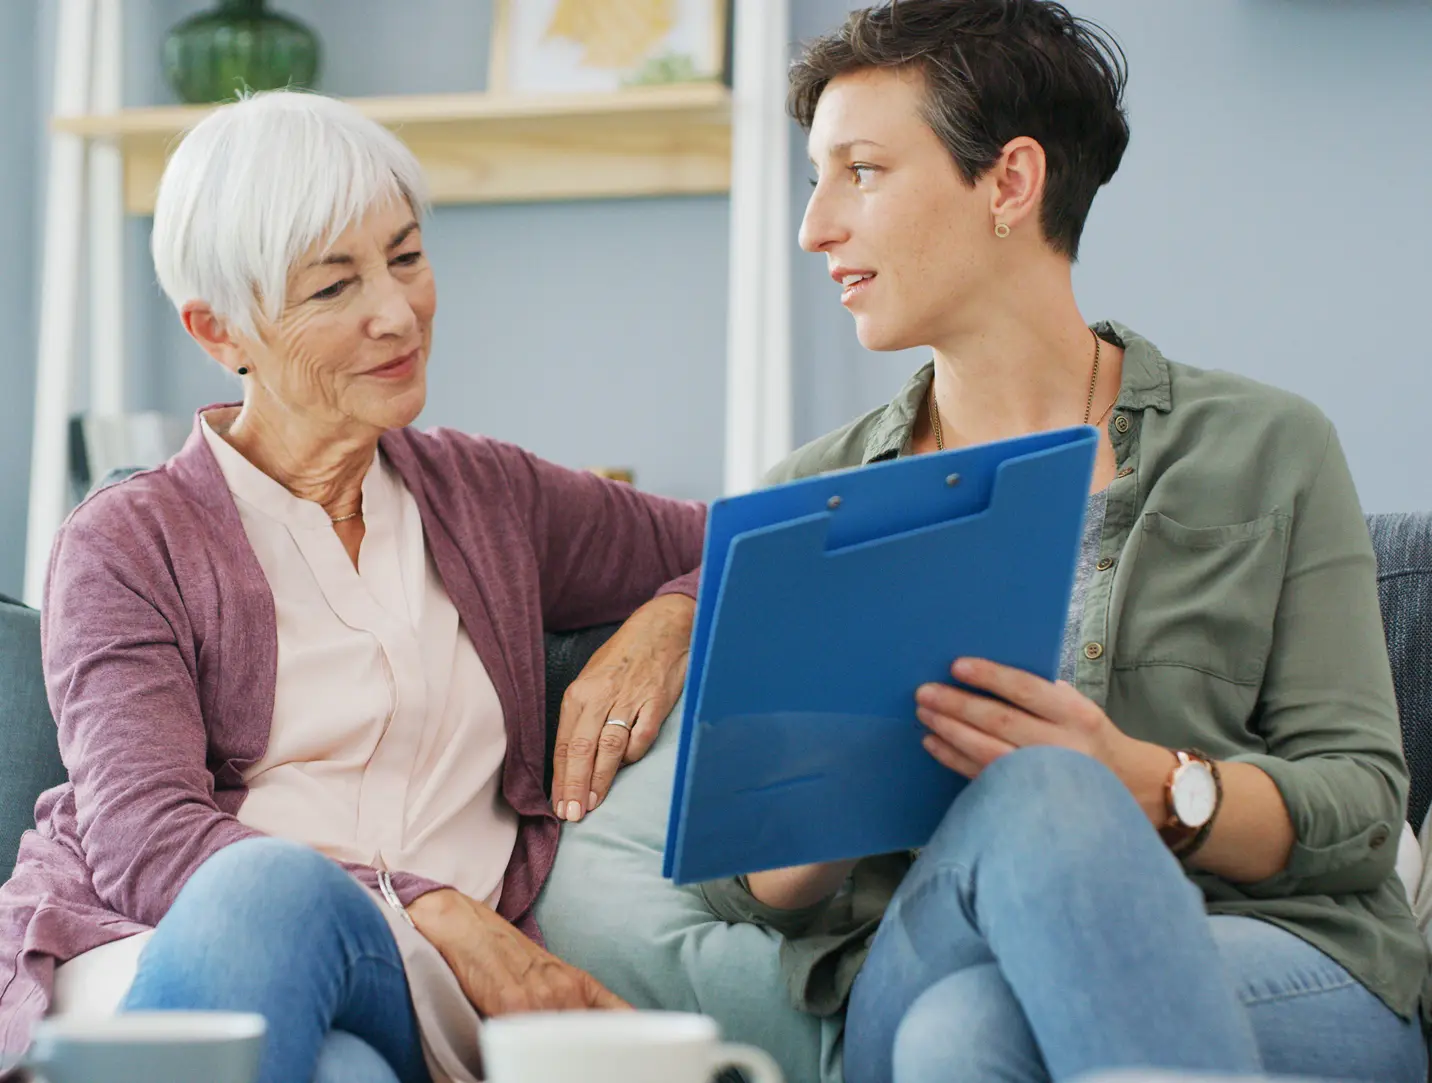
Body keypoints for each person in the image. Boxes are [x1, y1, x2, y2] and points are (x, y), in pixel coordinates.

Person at [665, 1, 1425, 1081]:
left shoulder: (1266, 446)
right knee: (1026, 815)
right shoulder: (813, 497)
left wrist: (1142, 781)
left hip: (1278, 962)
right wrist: (829, 789)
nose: (815, 227)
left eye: (862, 172)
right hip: (925, 953)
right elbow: (733, 882)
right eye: (813, 180)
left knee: (967, 1037)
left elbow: (1356, 807)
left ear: (1009, 183)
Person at [0, 91, 705, 1083]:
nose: (396, 311)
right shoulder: (129, 542)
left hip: (409, 988)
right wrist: (435, 905)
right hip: (171, 955)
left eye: (406, 257)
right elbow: (146, 843)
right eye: (334, 287)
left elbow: (751, 547)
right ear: (220, 332)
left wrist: (672, 618)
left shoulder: (488, 495)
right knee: (306, 986)